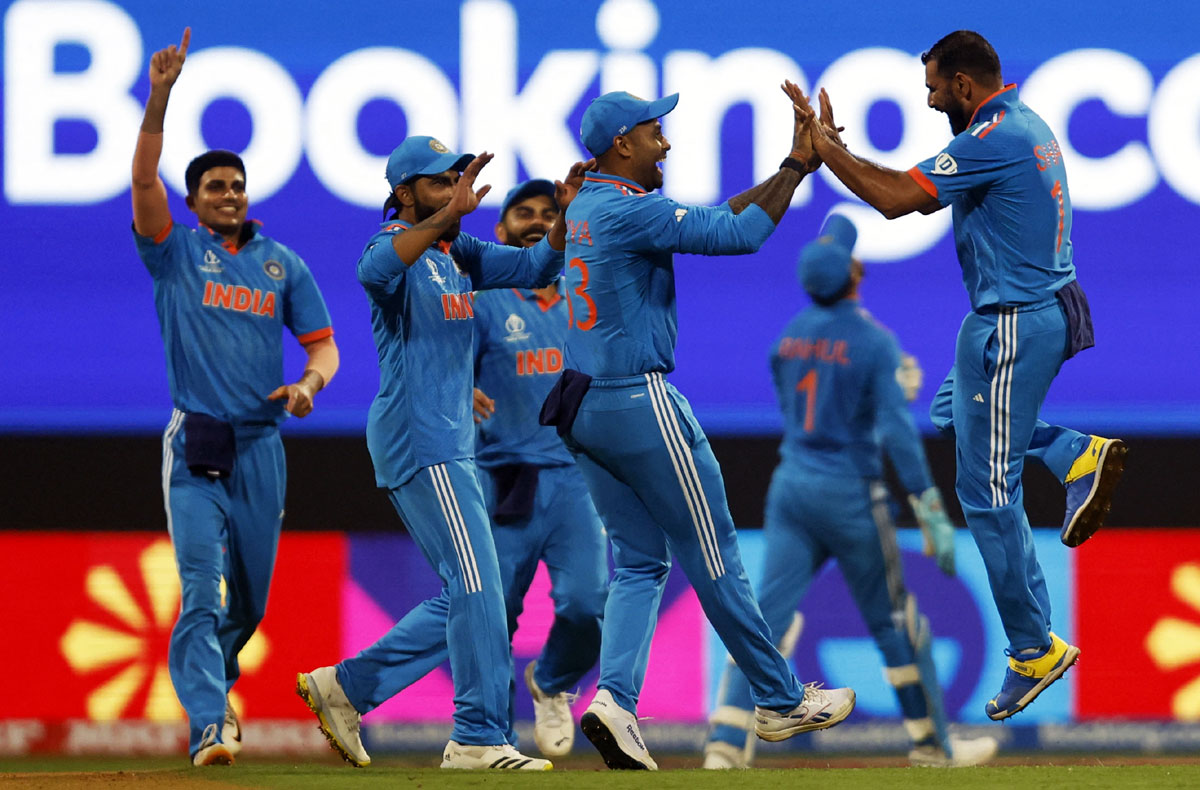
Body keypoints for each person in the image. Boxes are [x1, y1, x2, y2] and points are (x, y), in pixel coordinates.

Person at [786, 30, 1127, 721]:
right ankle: (1071, 453)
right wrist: (841, 151)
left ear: (965, 86)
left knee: (986, 490)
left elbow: (890, 199)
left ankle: (1034, 646)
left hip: (1013, 322)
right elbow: (908, 187)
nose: (932, 99)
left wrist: (825, 151)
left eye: (936, 89)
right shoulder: (1021, 122)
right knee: (953, 414)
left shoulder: (988, 138)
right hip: (1028, 312)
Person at [538, 90, 856, 771]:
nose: (669, 143)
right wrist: (799, 170)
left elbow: (709, 218)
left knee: (642, 561)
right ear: (623, 144)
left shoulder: (592, 205)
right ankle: (777, 698)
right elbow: (737, 234)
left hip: (582, 403)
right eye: (657, 132)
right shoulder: (630, 208)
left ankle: (615, 702)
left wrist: (789, 164)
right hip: (636, 399)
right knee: (714, 553)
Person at [295, 137, 592, 771]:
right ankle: (478, 738)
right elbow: (372, 274)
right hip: (419, 436)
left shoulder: (462, 254)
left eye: (457, 179)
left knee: (471, 588)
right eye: (439, 183)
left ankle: (346, 688)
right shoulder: (391, 246)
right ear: (405, 195)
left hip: (450, 442)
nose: (456, 190)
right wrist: (440, 216)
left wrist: (564, 216)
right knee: (479, 584)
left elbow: (538, 268)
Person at [702, 215, 998, 769]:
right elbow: (894, 433)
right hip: (850, 495)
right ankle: (933, 746)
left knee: (764, 621)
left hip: (790, 488)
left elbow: (804, 401)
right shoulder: (872, 340)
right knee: (894, 621)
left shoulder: (787, 339)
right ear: (854, 276)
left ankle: (724, 746)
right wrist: (928, 504)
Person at [130, 28, 339, 766]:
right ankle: (211, 722)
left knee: (248, 603)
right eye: (214, 187)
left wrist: (310, 385)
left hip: (261, 445)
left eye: (236, 184)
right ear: (193, 201)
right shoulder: (175, 252)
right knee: (203, 592)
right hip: (197, 442)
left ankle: (217, 681)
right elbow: (144, 184)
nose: (228, 194)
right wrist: (160, 97)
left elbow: (324, 348)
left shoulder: (284, 264)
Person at [471, 179, 609, 757]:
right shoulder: (482, 300)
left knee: (587, 604)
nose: (534, 221)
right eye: (521, 214)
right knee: (492, 614)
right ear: (499, 232)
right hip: (505, 476)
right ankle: (492, 736)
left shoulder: (588, 293)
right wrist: (459, 390)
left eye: (547, 213)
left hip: (578, 477)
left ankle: (552, 683)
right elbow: (437, 366)